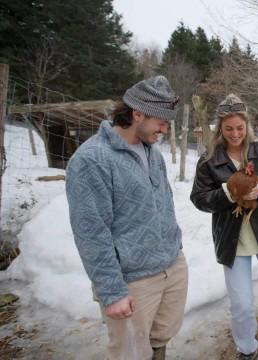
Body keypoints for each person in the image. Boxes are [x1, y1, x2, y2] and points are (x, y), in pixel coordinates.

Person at [66, 76, 188, 360]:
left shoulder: (152, 153)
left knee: (160, 338)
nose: (165, 129)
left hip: (171, 266)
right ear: (137, 114)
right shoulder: (92, 160)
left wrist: (176, 249)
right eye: (162, 122)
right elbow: (91, 232)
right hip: (133, 280)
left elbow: (164, 205)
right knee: (130, 353)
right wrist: (111, 291)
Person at [190, 94, 258, 360]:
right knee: (241, 305)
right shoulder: (209, 159)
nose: (235, 134)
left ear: (247, 126)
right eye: (228, 129)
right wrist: (227, 192)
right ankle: (247, 348)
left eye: (239, 128)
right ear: (219, 129)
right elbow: (199, 199)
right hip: (232, 240)